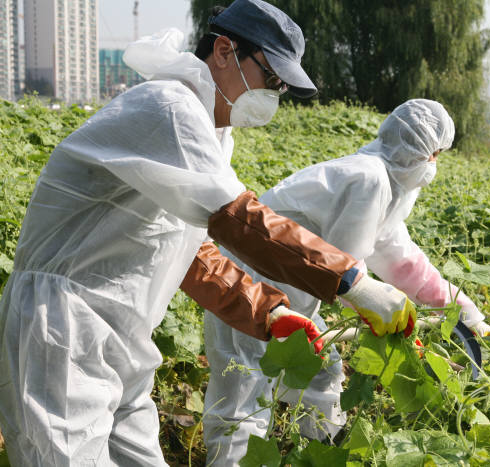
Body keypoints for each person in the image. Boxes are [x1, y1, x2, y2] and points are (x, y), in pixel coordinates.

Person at [0, 1, 416, 465]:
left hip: (120, 338)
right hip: (65, 327)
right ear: (223, 51)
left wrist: (267, 312)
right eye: (272, 77)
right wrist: (352, 283)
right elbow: (236, 217)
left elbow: (189, 251)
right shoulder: (168, 107)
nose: (273, 94)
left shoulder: (209, 132)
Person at [202, 99, 490, 465]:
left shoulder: (391, 187)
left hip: (295, 295)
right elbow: (343, 272)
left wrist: (465, 312)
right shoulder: (368, 180)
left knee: (323, 370)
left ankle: (321, 449)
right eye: (435, 153)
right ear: (419, 150)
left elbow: (403, 262)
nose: (435, 163)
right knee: (244, 391)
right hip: (251, 288)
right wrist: (385, 315)